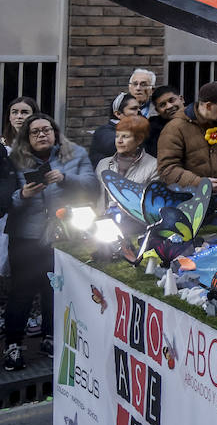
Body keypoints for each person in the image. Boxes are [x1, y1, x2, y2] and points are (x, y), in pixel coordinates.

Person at [5, 113, 95, 371]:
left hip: (63, 235)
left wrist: (65, 179)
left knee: (55, 289)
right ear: (27, 137)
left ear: (55, 133)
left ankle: (51, 337)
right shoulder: (13, 160)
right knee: (21, 291)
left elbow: (92, 187)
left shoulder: (74, 155)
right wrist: (23, 194)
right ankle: (13, 345)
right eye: (35, 132)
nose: (42, 135)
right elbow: (5, 200)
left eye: (46, 130)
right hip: (25, 235)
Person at [156, 82, 217, 193]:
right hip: (188, 198)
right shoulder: (175, 128)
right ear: (208, 106)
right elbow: (167, 169)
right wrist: (200, 184)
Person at [94, 115, 158, 206]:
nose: (119, 141)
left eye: (125, 137)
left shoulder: (154, 166)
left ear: (139, 140)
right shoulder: (103, 164)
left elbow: (153, 203)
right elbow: (97, 198)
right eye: (117, 136)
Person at [88, 93, 142, 167]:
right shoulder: (103, 131)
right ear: (118, 114)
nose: (139, 112)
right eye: (133, 109)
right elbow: (120, 146)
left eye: (139, 108)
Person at [145, 85, 184, 158]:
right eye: (162, 105)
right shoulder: (153, 131)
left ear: (181, 99)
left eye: (171, 100)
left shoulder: (198, 119)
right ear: (157, 111)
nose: (169, 106)